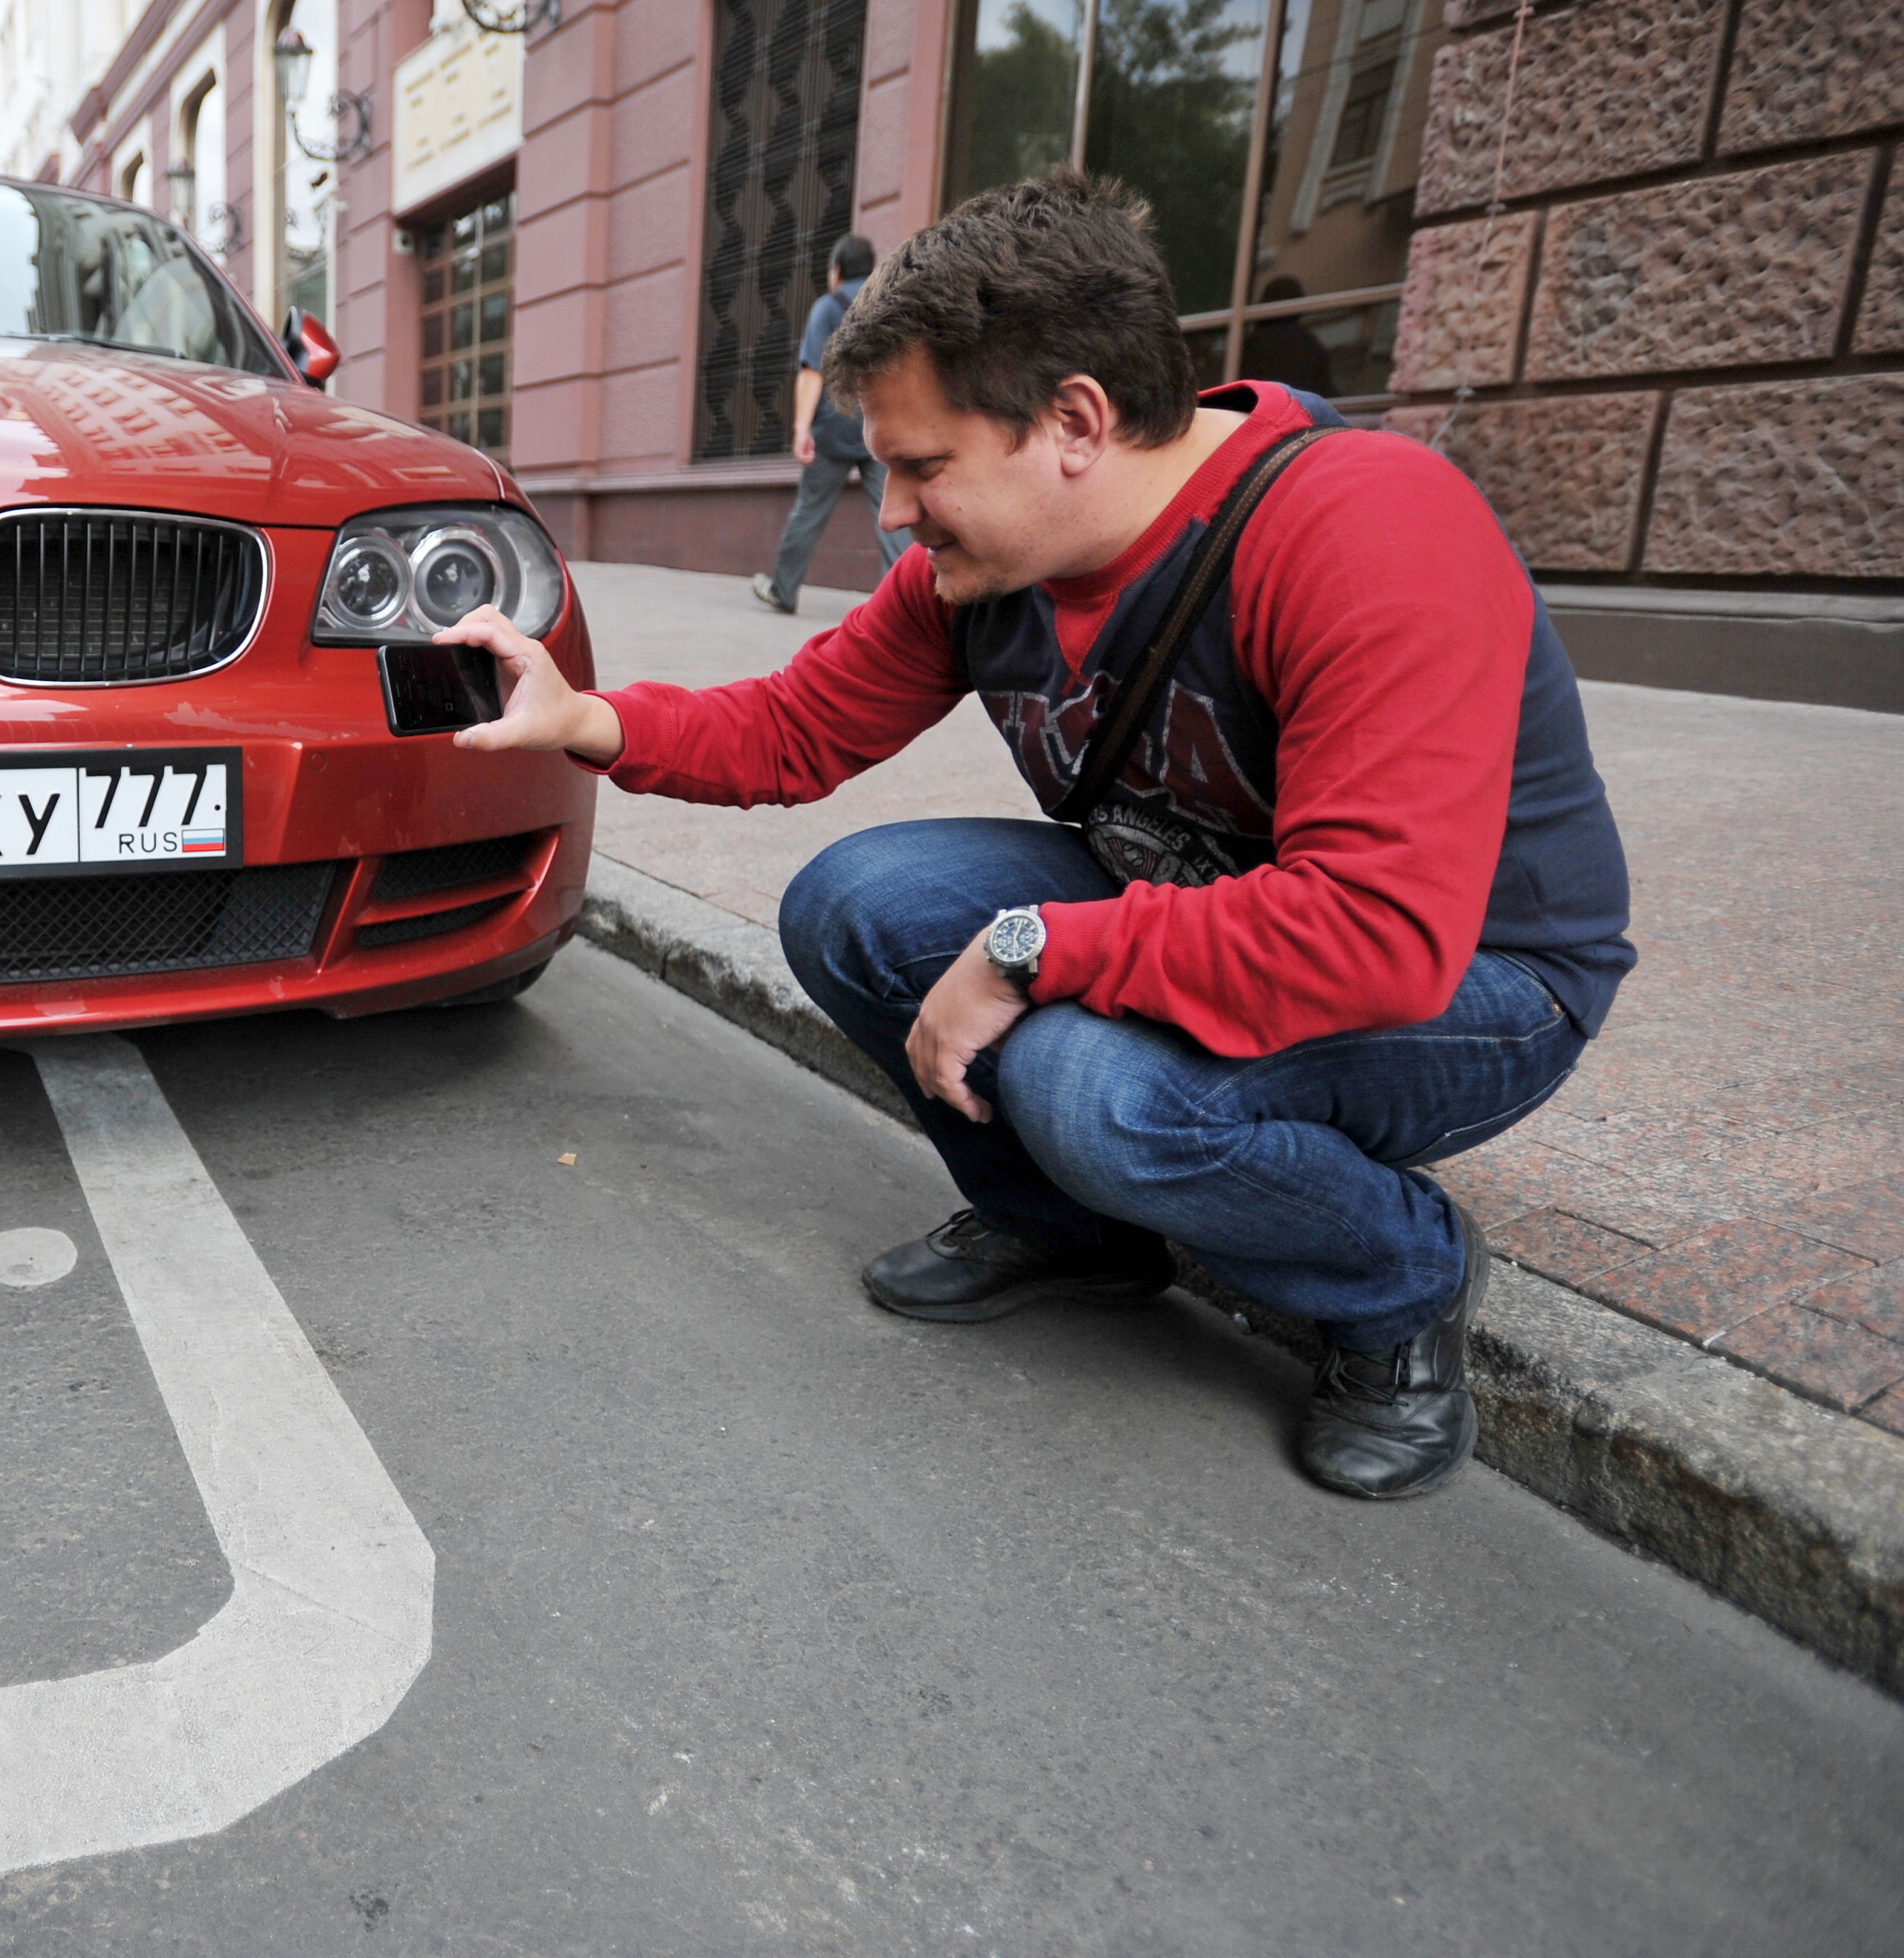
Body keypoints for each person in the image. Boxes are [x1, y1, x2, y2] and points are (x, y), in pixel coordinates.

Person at [440, 170, 1633, 1501]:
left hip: (1479, 983)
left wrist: (1026, 951)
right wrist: (584, 717)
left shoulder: (1363, 528)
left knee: (1089, 1083)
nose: (888, 513)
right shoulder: (982, 570)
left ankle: (1398, 1278)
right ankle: (1069, 1232)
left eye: (920, 466)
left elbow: (1376, 936)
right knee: (853, 903)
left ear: (1074, 421)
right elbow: (791, 728)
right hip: (1203, 894)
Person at [747, 233, 912, 617]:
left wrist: (800, 429)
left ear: (836, 272)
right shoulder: (888, 304)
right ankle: (904, 605)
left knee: (809, 513)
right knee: (895, 516)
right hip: (883, 427)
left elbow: (812, 373)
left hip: (834, 429)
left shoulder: (827, 307)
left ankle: (783, 591)